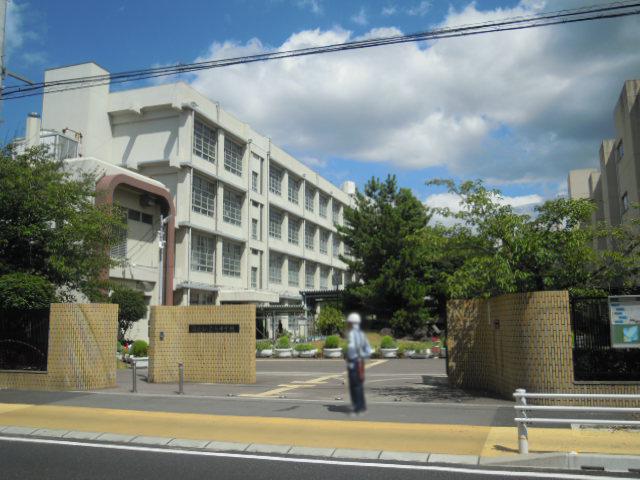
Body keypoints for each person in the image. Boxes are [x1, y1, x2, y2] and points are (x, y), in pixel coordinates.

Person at [345, 312, 372, 416]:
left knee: (355, 386)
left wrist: (353, 355)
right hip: (360, 362)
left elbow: (352, 348)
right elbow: (369, 349)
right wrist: (363, 355)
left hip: (355, 362)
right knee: (359, 385)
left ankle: (358, 408)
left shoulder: (352, 333)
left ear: (352, 323)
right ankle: (362, 406)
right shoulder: (361, 334)